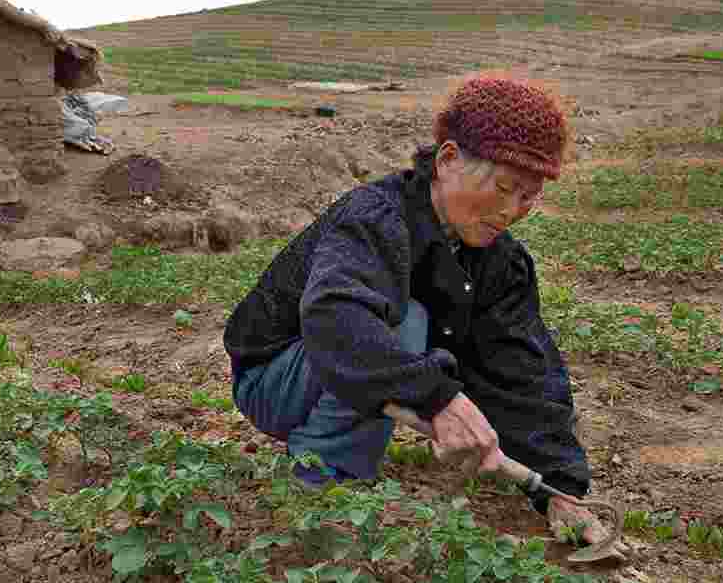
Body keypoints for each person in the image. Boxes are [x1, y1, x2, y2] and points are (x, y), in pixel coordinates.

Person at [223, 74, 617, 546]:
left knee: (439, 331)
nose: (512, 210)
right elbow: (336, 321)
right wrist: (438, 398)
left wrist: (560, 488)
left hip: (356, 377)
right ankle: (325, 484)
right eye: (505, 187)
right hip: (275, 380)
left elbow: (523, 373)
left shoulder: (501, 263)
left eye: (529, 196)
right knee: (405, 319)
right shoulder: (374, 218)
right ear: (449, 160)